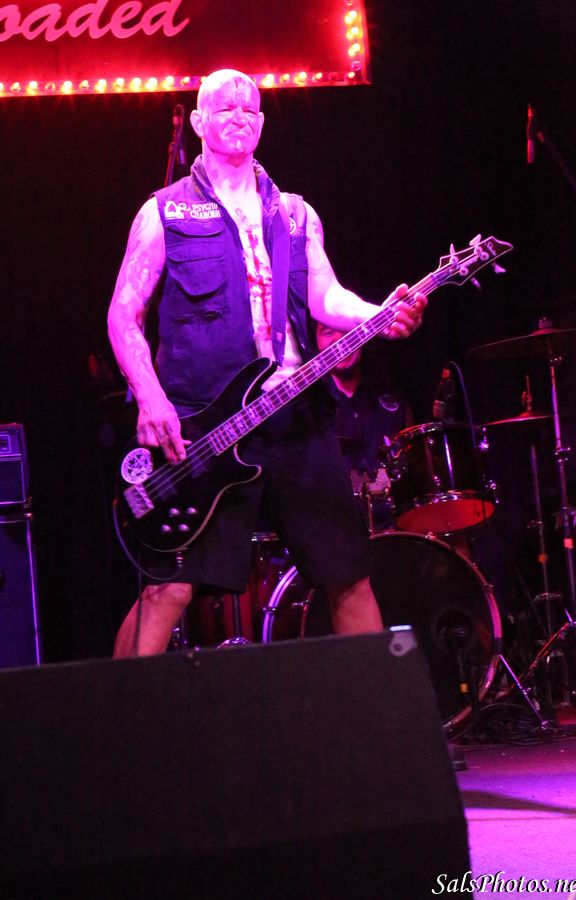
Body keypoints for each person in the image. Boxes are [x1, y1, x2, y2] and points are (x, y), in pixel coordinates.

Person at [107, 68, 426, 657]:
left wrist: (379, 312)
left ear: (262, 124)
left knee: (348, 573)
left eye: (249, 109)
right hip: (207, 429)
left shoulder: (296, 215)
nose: (238, 117)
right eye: (224, 108)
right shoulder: (164, 212)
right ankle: (114, 709)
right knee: (168, 587)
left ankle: (382, 707)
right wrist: (151, 399)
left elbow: (326, 295)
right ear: (198, 122)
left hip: (295, 417)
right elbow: (123, 315)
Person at [314, 321, 414, 531]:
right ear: (315, 343)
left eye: (347, 330)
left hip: (396, 529)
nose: (340, 340)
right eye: (328, 332)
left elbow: (415, 463)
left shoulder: (393, 398)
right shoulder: (309, 406)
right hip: (332, 530)